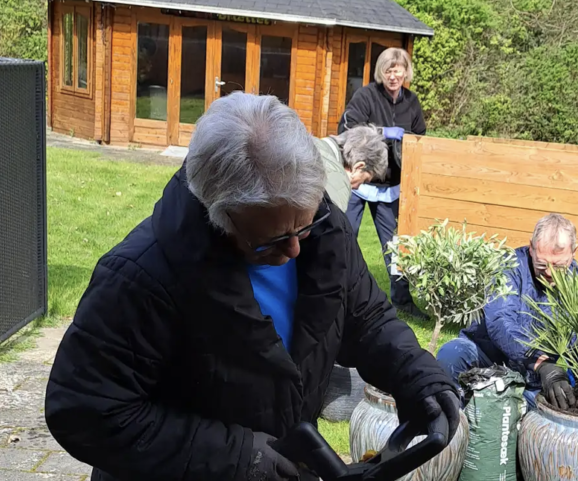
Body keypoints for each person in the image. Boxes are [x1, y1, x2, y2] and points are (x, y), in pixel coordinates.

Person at [44, 93, 461, 481]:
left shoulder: (323, 231)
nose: (296, 249)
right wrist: (237, 457)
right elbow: (84, 410)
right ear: (218, 214)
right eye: (272, 241)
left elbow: (366, 317)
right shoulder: (141, 278)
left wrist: (417, 374)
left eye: (304, 225)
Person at [435, 214, 578, 410]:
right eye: (542, 265)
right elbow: (500, 321)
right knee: (451, 354)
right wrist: (540, 363)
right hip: (485, 357)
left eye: (559, 266)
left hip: (531, 379)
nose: (549, 273)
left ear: (573, 252)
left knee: (558, 412)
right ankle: (453, 420)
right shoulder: (508, 266)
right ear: (531, 248)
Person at [338, 47, 426, 319]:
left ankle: (402, 300)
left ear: (405, 72)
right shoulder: (366, 96)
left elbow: (421, 137)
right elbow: (347, 128)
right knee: (343, 236)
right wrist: (383, 132)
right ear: (381, 72)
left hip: (390, 188)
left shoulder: (412, 102)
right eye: (388, 70)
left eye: (398, 69)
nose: (393, 75)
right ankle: (337, 292)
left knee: (395, 246)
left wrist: (405, 136)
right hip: (360, 181)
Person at [315, 124, 388, 213]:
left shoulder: (308, 143)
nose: (357, 188)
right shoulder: (338, 185)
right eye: (364, 181)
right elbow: (330, 225)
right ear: (358, 167)